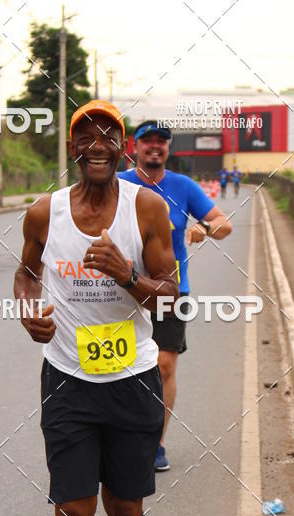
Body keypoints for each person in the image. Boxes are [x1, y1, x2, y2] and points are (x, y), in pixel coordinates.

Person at [14, 100, 179, 516]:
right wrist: (28, 308)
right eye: (86, 135)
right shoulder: (45, 213)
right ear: (73, 149)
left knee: (125, 507)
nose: (99, 144)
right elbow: (26, 271)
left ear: (122, 147)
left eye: (110, 134)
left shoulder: (148, 209)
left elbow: (170, 295)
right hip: (67, 380)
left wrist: (127, 274)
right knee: (73, 509)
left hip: (132, 379)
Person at [119, 122, 231, 471]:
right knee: (120, 368)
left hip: (171, 290)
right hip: (123, 290)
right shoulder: (119, 184)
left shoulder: (182, 186)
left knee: (164, 365)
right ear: (133, 147)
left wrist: (204, 228)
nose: (154, 147)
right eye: (147, 141)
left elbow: (224, 223)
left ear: (168, 149)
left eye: (161, 142)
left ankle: (156, 443)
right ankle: (121, 438)